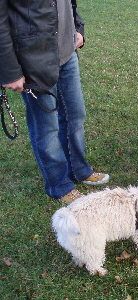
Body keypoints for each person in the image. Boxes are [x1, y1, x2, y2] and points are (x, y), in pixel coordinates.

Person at [0, 0, 109, 203]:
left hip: (67, 52)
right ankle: (58, 184)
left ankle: (79, 170)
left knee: (75, 115)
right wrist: (9, 71)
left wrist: (78, 28)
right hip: (33, 58)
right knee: (47, 127)